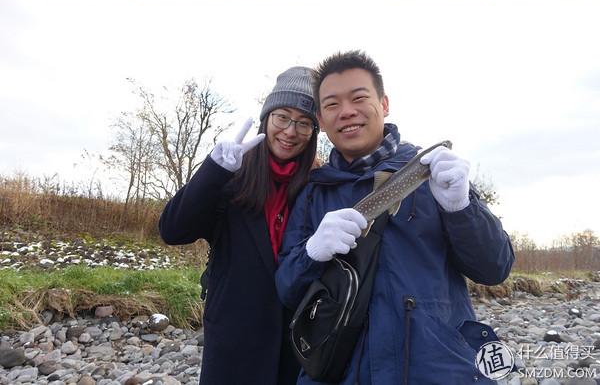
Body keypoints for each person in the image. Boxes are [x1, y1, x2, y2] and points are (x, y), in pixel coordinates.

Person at [276, 51, 515, 385]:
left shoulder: (439, 176)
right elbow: (287, 291)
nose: (347, 111)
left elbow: (494, 269)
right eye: (332, 104)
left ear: (384, 104)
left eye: (359, 98)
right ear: (322, 119)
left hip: (439, 373)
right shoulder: (311, 195)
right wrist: (311, 253)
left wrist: (461, 208)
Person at [158, 66, 320, 385]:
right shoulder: (231, 180)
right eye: (282, 117)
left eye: (304, 122)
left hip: (296, 344)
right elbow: (172, 230)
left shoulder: (317, 188)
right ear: (266, 119)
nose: (290, 131)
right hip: (234, 341)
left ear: (313, 132)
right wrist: (213, 171)